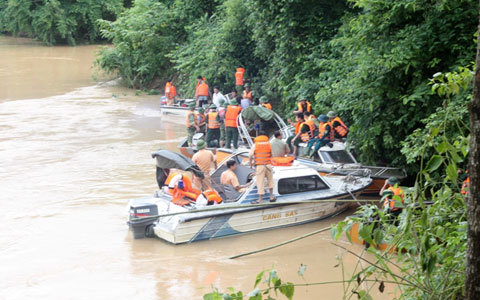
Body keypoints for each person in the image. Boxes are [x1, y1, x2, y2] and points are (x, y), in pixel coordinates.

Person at [249, 132, 276, 203]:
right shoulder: (269, 144)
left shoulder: (255, 145)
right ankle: (271, 197)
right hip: (268, 165)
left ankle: (260, 199)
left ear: (258, 136)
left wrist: (251, 165)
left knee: (260, 182)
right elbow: (272, 155)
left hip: (260, 166)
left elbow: (250, 155)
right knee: (270, 181)